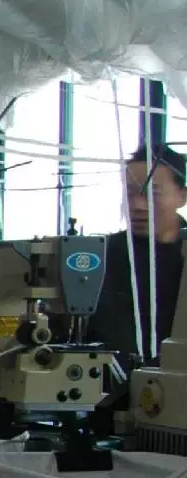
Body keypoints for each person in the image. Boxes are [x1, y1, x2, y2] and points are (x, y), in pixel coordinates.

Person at [92, 145, 187, 365]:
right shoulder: (102, 255)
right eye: (130, 194)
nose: (138, 206)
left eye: (152, 194)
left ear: (182, 196)